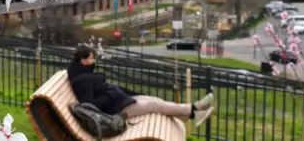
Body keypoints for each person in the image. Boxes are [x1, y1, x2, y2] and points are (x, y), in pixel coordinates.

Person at [67, 45, 215, 127]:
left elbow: (109, 89)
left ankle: (193, 113)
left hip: (122, 101)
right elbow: (89, 105)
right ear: (82, 60)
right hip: (116, 112)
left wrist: (133, 94)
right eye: (91, 58)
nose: (94, 61)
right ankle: (194, 109)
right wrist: (112, 95)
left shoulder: (85, 75)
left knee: (155, 100)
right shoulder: (82, 80)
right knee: (154, 105)